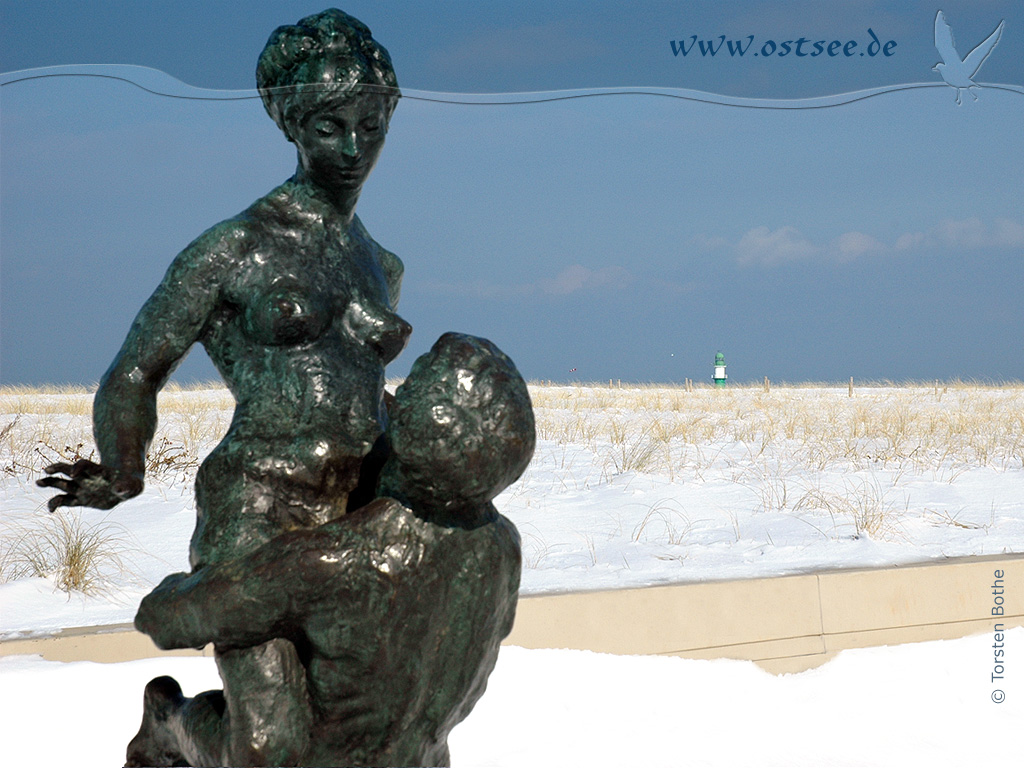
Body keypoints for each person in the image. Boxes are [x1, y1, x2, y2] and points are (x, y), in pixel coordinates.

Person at [38, 9, 410, 765]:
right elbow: (138, 367)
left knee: (353, 732)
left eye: (369, 126)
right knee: (272, 746)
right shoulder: (234, 247)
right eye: (330, 125)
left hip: (356, 516)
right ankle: (173, 726)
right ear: (293, 125)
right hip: (258, 509)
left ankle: (180, 721)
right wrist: (123, 468)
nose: (351, 147)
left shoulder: (382, 264)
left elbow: (364, 387)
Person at [128, 333, 534, 767]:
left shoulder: (343, 560)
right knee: (263, 749)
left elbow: (169, 618)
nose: (401, 387)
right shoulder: (503, 548)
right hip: (414, 758)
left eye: (412, 381)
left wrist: (171, 597)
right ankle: (169, 718)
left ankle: (166, 716)